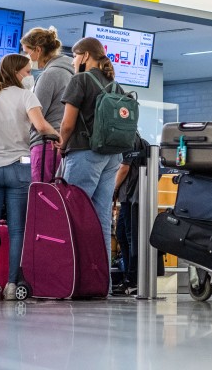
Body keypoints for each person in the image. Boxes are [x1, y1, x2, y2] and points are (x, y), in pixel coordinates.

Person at [0, 54, 59, 301]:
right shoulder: (26, 96)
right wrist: (59, 137)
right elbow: (41, 126)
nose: (30, 76)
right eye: (27, 72)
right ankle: (11, 285)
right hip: (19, 166)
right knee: (18, 229)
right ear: (17, 73)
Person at [59, 37, 126, 289]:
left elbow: (67, 124)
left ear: (85, 56)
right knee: (101, 220)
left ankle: (71, 282)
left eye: (75, 56)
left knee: (73, 216)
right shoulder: (115, 85)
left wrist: (61, 144)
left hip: (84, 153)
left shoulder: (80, 80)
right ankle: (101, 284)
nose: (74, 61)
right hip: (112, 157)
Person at [20, 27, 74, 183]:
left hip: (45, 146)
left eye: (27, 51)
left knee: (42, 196)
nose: (26, 56)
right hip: (61, 146)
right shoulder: (70, 73)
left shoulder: (49, 75)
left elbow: (36, 116)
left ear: (38, 49)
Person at [112, 133, 149, 295]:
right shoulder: (136, 138)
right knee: (122, 234)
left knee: (130, 237)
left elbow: (124, 167)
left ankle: (133, 280)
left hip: (131, 196)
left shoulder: (127, 137)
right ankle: (129, 276)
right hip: (129, 196)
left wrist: (112, 189)